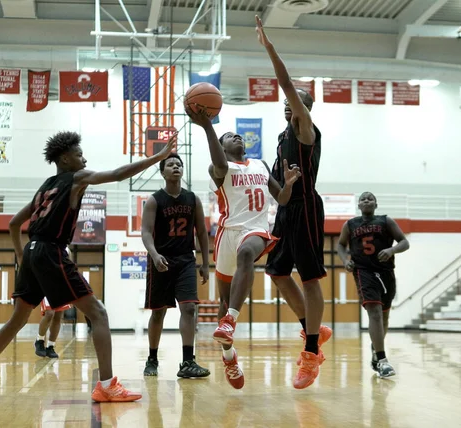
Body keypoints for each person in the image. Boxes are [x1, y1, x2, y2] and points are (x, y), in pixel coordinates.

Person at [0, 131, 176, 402]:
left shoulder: (45, 187)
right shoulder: (77, 178)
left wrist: (21, 257)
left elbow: (14, 223)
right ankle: (106, 385)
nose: (84, 158)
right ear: (65, 158)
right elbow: (119, 174)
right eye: (79, 153)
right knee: (98, 313)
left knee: (17, 319)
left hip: (33, 251)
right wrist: (159, 156)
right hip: (51, 251)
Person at [187, 106, 301, 389]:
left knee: (248, 253)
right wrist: (208, 127)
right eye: (229, 136)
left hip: (256, 229)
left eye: (236, 134)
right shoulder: (220, 168)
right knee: (224, 298)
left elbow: (282, 200)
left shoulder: (261, 165)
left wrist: (287, 185)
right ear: (222, 148)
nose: (236, 136)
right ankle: (229, 356)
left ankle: (230, 320)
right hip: (228, 233)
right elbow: (218, 161)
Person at [256, 15, 332, 390]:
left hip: (306, 207)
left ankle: (311, 352)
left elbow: (286, 84)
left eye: (296, 102)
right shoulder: (280, 140)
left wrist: (269, 48)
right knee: (277, 273)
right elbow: (278, 192)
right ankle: (312, 329)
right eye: (288, 103)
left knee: (311, 277)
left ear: (305, 107)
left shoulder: (304, 129)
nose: (289, 105)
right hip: (287, 209)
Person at [141, 152, 210, 378]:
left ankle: (188, 361)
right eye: (170, 164)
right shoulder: (154, 200)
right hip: (161, 259)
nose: (175, 166)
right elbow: (146, 233)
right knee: (158, 312)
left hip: (185, 259)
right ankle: (152, 358)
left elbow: (201, 232)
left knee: (189, 308)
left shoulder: (193, 199)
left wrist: (206, 263)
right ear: (163, 172)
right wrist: (154, 254)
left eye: (178, 164)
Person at [337, 192, 409, 378]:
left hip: (386, 273)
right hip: (363, 272)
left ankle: (376, 348)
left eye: (370, 198)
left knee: (384, 317)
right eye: (363, 199)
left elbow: (404, 242)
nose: (366, 200)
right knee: (374, 313)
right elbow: (340, 245)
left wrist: (391, 250)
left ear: (376, 204)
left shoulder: (386, 221)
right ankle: (383, 360)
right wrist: (346, 261)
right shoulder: (350, 225)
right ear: (359, 205)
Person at [35, 246, 73, 358]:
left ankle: (51, 346)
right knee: (49, 313)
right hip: (47, 283)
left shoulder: (66, 249)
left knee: (58, 316)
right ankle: (39, 341)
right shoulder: (45, 246)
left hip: (61, 285)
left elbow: (69, 266)